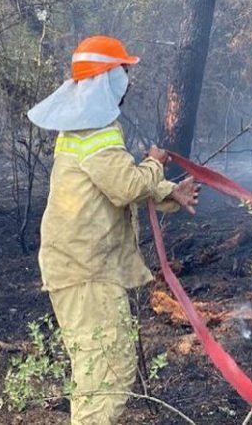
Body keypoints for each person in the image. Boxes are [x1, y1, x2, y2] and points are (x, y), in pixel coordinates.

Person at [26, 35, 199, 425]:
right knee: (106, 374)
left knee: (100, 371)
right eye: (123, 72)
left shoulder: (86, 130)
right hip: (84, 273)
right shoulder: (96, 135)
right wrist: (156, 163)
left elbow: (113, 182)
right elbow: (125, 187)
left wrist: (172, 192)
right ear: (107, 79)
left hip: (82, 268)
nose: (129, 81)